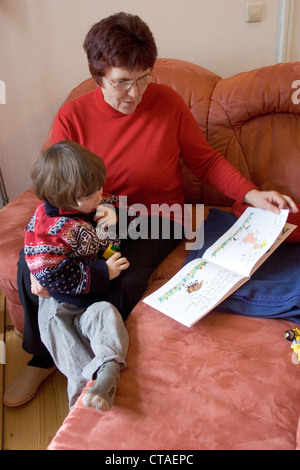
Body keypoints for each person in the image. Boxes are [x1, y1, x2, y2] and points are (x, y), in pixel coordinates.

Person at [5, 11, 298, 407]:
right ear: (97, 76)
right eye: (122, 82)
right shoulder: (74, 116)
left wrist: (250, 194)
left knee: (122, 280)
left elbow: (205, 161)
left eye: (144, 78)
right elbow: (53, 188)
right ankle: (41, 359)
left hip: (157, 216)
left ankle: (99, 366)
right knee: (29, 262)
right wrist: (48, 258)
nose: (135, 93)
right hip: (94, 214)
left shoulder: (168, 103)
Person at [19, 140, 129, 410]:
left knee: (107, 315)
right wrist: (105, 272)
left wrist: (112, 216)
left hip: (89, 302)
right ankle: (82, 399)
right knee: (70, 349)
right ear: (72, 199)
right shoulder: (53, 228)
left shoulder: (86, 206)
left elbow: (107, 230)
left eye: (100, 187)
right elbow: (54, 275)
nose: (101, 195)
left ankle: (108, 369)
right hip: (59, 305)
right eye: (94, 194)